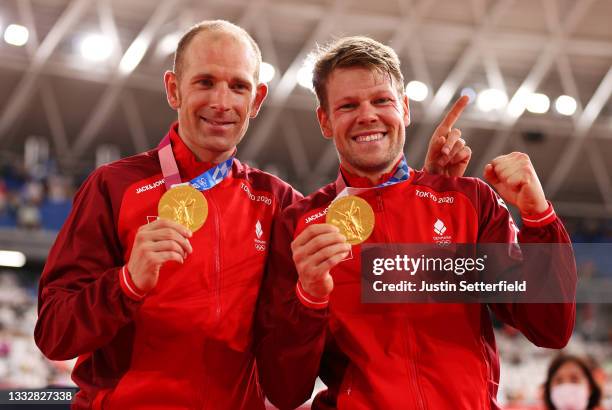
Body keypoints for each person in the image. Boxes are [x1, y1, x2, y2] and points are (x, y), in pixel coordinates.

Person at [34, 22, 469, 410]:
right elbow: (54, 334)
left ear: (257, 99)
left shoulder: (279, 202)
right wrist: (125, 283)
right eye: (205, 82)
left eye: (238, 86)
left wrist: (425, 192)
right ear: (174, 89)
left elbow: (373, 269)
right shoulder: (115, 186)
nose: (222, 102)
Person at [255, 36, 577, 409]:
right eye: (347, 105)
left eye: (382, 100)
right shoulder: (301, 226)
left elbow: (551, 327)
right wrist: (309, 296)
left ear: (404, 109)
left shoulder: (467, 203)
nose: (367, 115)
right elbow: (283, 391)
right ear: (325, 120)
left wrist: (539, 217)